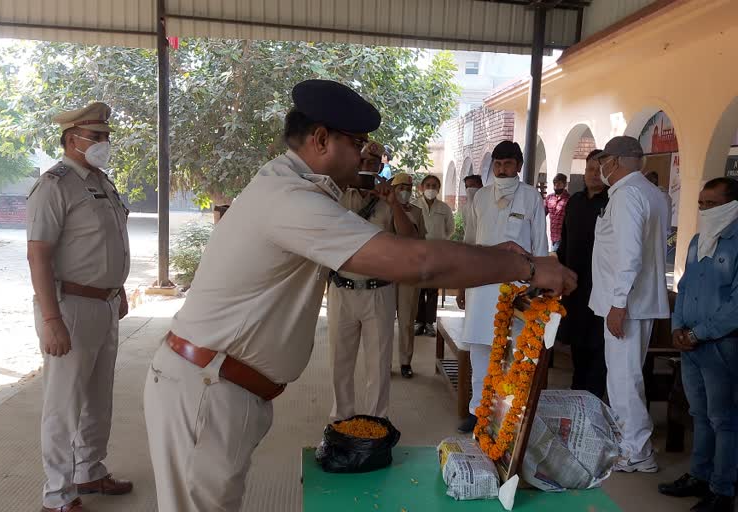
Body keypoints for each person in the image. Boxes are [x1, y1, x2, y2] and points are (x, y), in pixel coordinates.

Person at [143, 79, 576, 512]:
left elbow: (411, 247)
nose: (368, 155)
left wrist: (495, 254)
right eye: (358, 143)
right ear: (320, 140)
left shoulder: (295, 187)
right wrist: (529, 267)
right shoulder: (289, 198)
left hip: (226, 385)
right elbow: (415, 263)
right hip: (207, 385)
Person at [27, 102, 133, 512]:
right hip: (69, 306)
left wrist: (118, 289)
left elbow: (106, 244)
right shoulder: (54, 185)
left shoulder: (102, 183)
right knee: (64, 403)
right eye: (98, 137)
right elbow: (39, 255)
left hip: (104, 304)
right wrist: (51, 319)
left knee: (98, 396)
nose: (105, 143)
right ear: (73, 140)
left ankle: (89, 470)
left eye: (106, 136)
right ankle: (57, 494)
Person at [456, 140, 549, 433]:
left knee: (514, 352)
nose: (502, 169)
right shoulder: (480, 197)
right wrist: (461, 283)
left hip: (518, 289)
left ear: (519, 166)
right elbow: (469, 243)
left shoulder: (531, 197)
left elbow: (540, 244)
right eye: (498, 164)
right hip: (481, 286)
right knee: (480, 351)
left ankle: (510, 414)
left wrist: (540, 286)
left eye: (508, 163)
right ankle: (477, 411)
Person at [590, 136, 670, 473]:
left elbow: (629, 254)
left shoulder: (626, 196)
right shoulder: (653, 192)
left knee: (623, 379)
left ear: (615, 161)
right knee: (628, 376)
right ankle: (632, 445)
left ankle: (636, 451)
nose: (600, 168)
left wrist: (618, 303)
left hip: (626, 303)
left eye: (603, 161)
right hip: (638, 300)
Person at [658, 178, 738, 512]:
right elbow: (685, 286)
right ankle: (699, 476)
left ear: (731, 206)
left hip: (721, 345)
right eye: (701, 203)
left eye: (712, 204)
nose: (704, 209)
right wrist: (678, 329)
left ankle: (722, 489)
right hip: (689, 344)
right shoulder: (695, 241)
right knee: (699, 415)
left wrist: (698, 333)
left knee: (724, 419)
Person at [328, 141, 418, 421]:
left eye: (374, 164)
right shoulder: (337, 192)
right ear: (356, 160)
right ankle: (340, 422)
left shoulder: (389, 197)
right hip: (342, 288)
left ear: (381, 167)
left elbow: (411, 239)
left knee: (378, 365)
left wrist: (393, 202)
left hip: (379, 291)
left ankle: (376, 423)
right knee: (339, 363)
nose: (368, 167)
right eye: (364, 161)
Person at [556, 150, 608, 398]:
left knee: (598, 345)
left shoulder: (612, 203)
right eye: (590, 169)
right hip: (574, 285)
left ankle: (594, 398)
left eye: (599, 170)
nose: (594, 175)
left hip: (601, 286)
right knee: (577, 342)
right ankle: (578, 393)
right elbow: (565, 242)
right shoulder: (574, 201)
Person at [391, 173, 427, 378]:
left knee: (406, 321)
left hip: (409, 272)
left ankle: (405, 362)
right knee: (384, 321)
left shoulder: (417, 212)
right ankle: (384, 362)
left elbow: (421, 241)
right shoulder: (384, 209)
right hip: (386, 272)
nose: (404, 191)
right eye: (400, 187)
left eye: (408, 187)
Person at [413, 175, 455, 338]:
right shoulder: (414, 205)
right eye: (428, 185)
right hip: (417, 253)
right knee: (418, 289)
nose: (431, 188)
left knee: (432, 289)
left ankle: (429, 323)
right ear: (421, 187)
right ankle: (419, 322)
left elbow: (450, 229)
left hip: (436, 254)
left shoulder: (444, 208)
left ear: (438, 189)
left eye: (434, 186)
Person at [544, 172, 570, 252]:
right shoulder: (549, 198)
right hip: (553, 236)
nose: (556, 185)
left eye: (559, 183)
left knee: (555, 258)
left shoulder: (569, 199)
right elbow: (542, 214)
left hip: (563, 236)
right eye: (555, 183)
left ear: (564, 184)